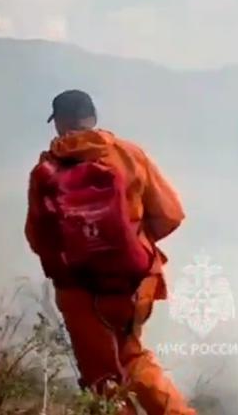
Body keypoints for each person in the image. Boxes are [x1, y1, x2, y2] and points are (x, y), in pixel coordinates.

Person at [25, 89, 195, 415]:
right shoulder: (129, 155)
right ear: (93, 118)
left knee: (102, 378)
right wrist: (130, 245)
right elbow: (171, 214)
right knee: (132, 356)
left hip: (79, 291)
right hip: (132, 284)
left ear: (59, 122)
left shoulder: (46, 169)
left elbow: (37, 238)